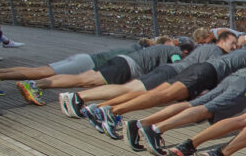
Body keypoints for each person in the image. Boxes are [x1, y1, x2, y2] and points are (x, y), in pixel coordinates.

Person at [69, 31, 235, 124]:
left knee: (131, 90)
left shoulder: (203, 48)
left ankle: (96, 106)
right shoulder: (215, 51)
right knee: (135, 93)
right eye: (232, 43)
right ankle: (94, 105)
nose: (234, 47)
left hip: (167, 70)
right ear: (221, 41)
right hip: (172, 73)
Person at [0, 37, 168, 105]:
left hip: (84, 58)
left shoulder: (137, 47)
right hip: (88, 62)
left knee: (40, 70)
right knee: (42, 73)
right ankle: (0, 77)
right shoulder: (148, 52)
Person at [56, 39, 190, 117]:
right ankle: (78, 97)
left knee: (82, 79)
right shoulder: (175, 51)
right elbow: (176, 62)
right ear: (185, 51)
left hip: (122, 60)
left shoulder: (160, 46)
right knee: (119, 88)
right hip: (129, 66)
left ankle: (71, 97)